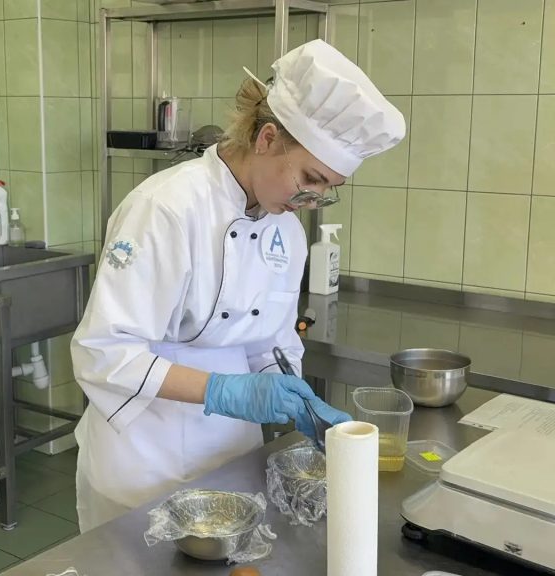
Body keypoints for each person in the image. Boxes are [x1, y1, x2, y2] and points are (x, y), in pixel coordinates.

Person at [70, 39, 406, 532]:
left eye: (328, 188)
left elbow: (269, 343)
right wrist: (226, 391)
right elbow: (104, 353)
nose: (313, 199)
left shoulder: (286, 230)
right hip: (143, 465)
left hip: (232, 464)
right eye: (311, 177)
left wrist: (295, 396)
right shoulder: (165, 208)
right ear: (267, 139)